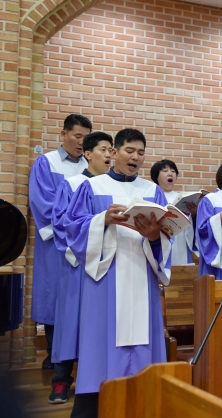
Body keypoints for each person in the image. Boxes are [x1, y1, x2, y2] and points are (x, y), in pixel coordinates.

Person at [64, 129, 172, 418]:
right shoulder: (92, 187)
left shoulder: (152, 191)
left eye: (141, 153)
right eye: (129, 151)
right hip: (105, 280)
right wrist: (103, 219)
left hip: (142, 277)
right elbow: (73, 230)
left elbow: (164, 237)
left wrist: (154, 236)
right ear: (114, 152)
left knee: (142, 350)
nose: (135, 157)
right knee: (100, 350)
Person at [49, 131, 112, 404]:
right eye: (103, 149)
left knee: (98, 325)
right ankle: (61, 379)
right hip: (77, 265)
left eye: (111, 150)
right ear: (87, 153)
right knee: (70, 322)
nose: (108, 154)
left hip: (106, 267)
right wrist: (80, 253)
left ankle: (100, 381)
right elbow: (61, 224)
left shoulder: (112, 187)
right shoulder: (73, 184)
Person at [28, 114, 92, 370]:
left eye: (86, 138)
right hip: (57, 242)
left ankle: (79, 356)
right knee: (54, 296)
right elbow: (43, 204)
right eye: (77, 136)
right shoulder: (47, 163)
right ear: (63, 134)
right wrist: (70, 231)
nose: (81, 142)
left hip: (86, 242)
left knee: (83, 297)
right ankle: (55, 354)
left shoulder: (92, 166)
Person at [151, 160, 198, 266]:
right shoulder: (153, 196)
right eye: (165, 171)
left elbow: (191, 226)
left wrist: (194, 214)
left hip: (181, 242)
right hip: (160, 240)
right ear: (156, 176)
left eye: (173, 171)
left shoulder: (181, 198)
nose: (170, 174)